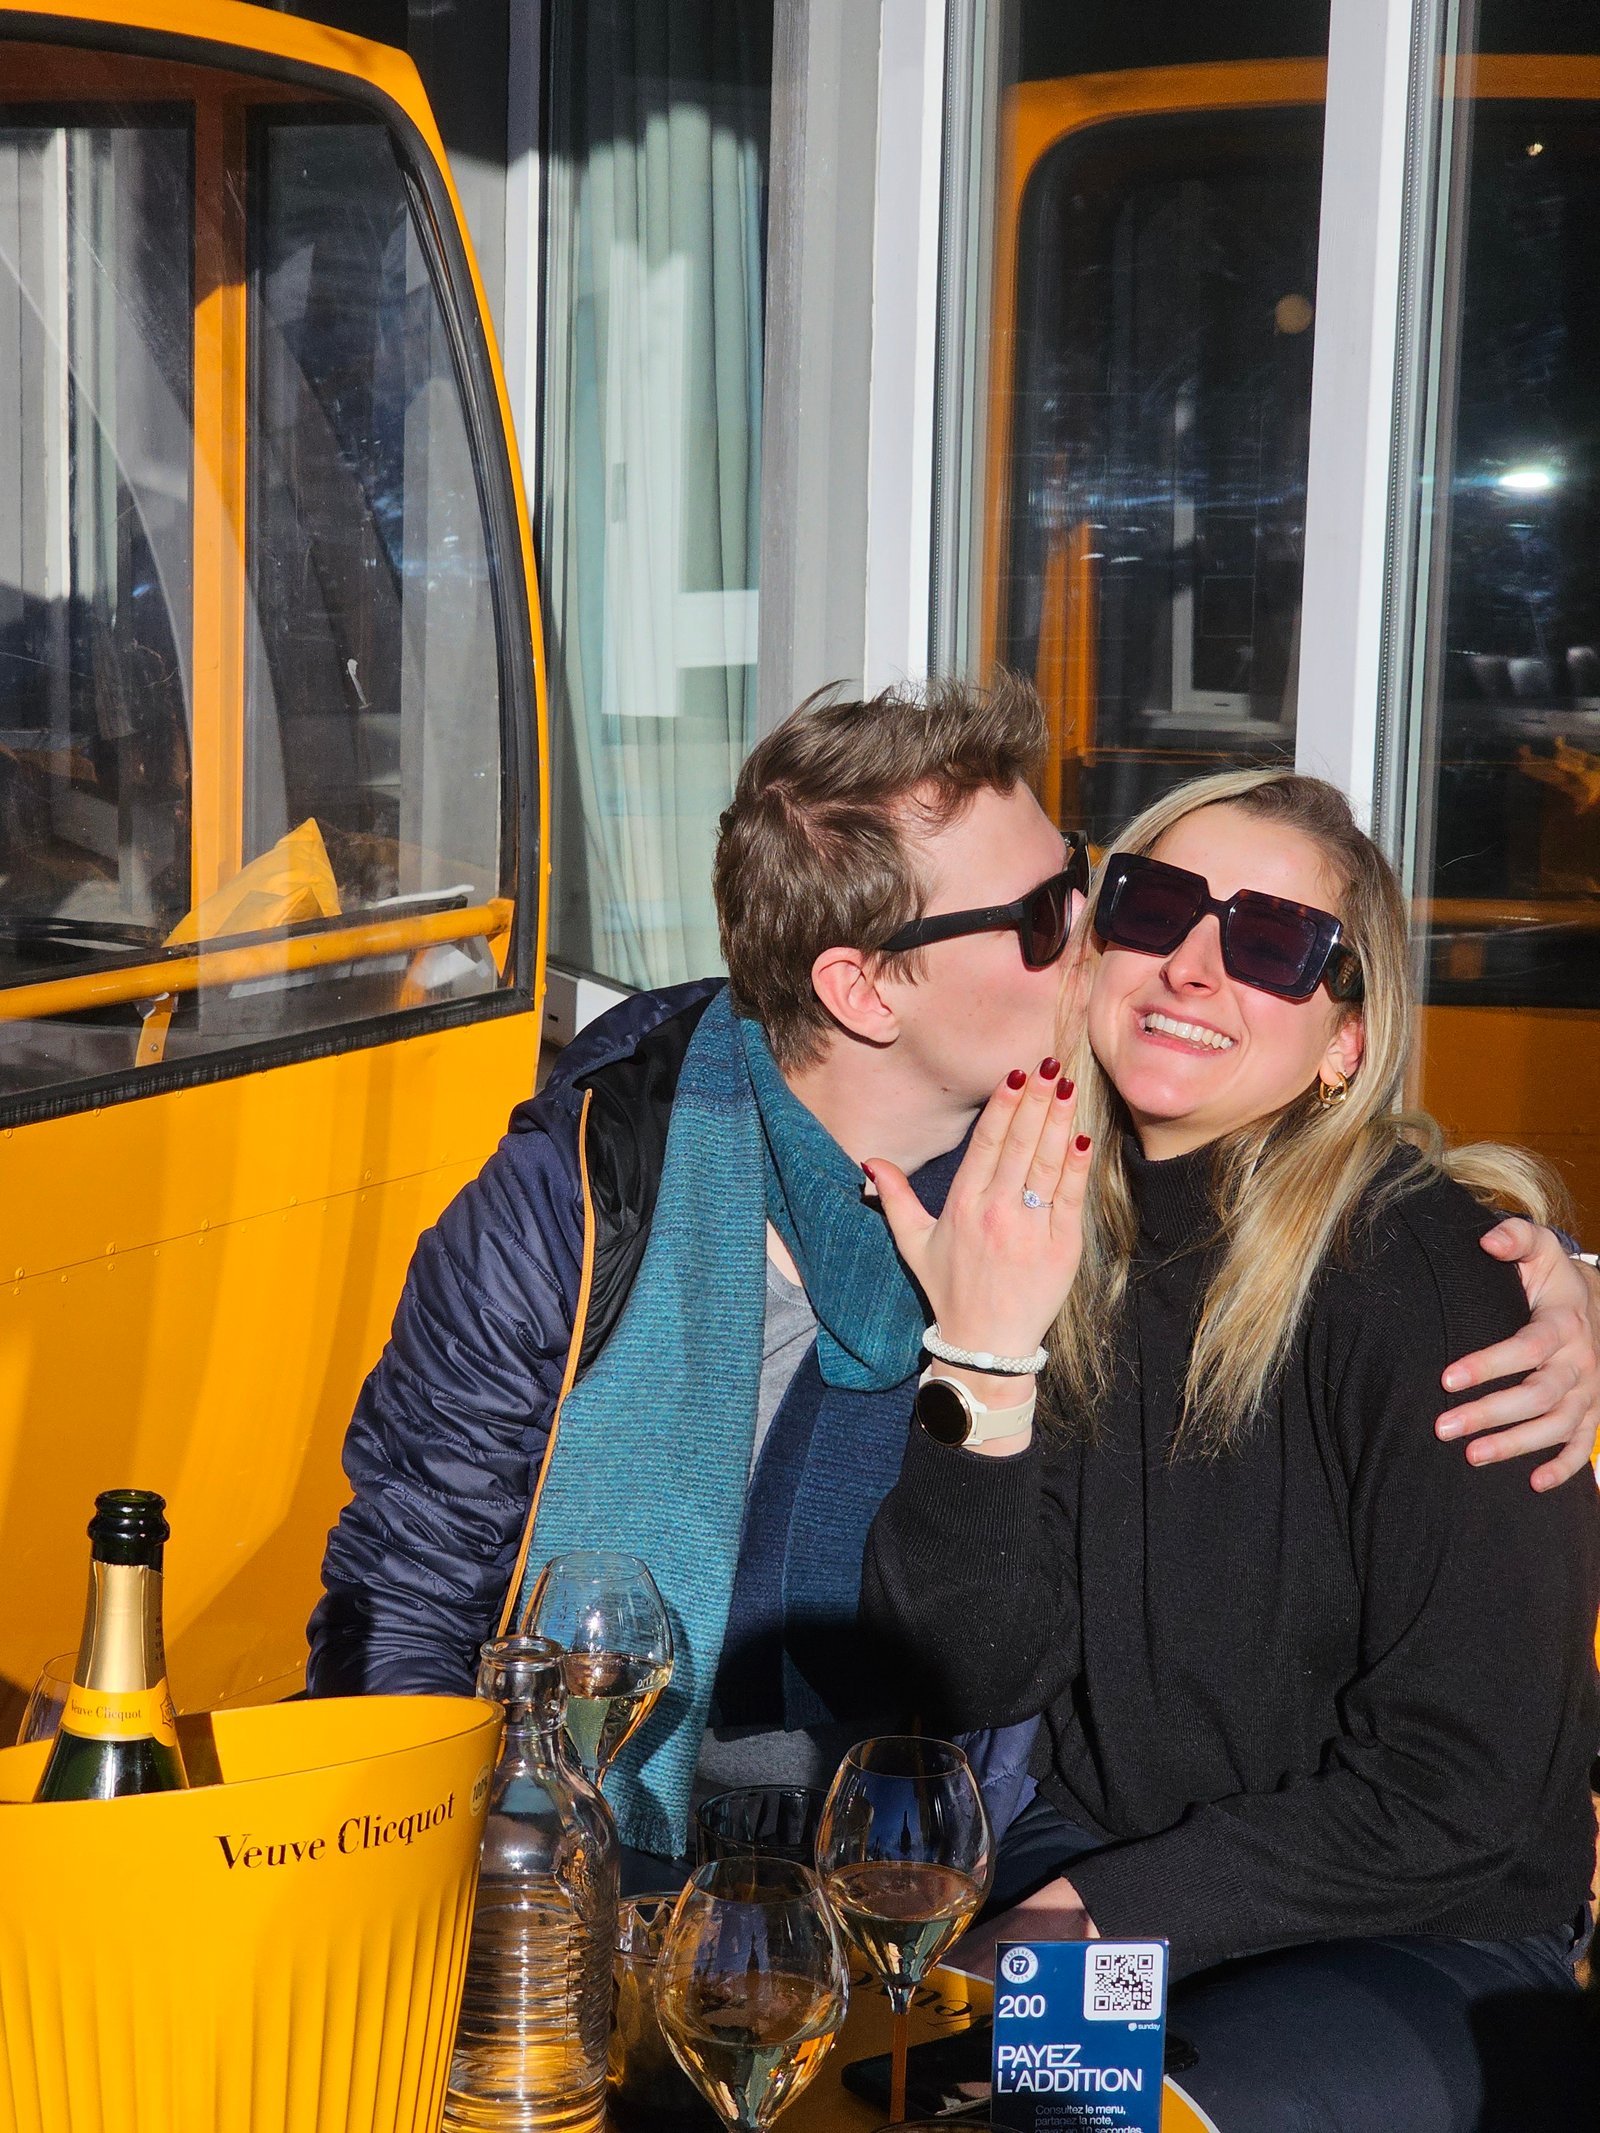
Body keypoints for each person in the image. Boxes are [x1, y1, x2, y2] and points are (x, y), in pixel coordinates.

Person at [307, 682, 1600, 1874]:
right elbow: (406, 1595)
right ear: (864, 989)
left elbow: (1327, 1207)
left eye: (1088, 882)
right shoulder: (585, 1193)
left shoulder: (1085, 1173)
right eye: (1044, 917)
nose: (1101, 938)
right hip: (569, 1857)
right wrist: (430, 1882)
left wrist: (1552, 1292)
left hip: (947, 1862)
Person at [861, 769, 1600, 2132]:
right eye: (1156, 907)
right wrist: (986, 1352)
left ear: (1345, 1041)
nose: (1194, 964)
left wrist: (1086, 1920)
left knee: (1086, 2117)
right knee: (895, 2093)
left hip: (1410, 1931)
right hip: (1107, 1868)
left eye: (1271, 942)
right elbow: (975, 1668)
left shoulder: (1436, 1286)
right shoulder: (1048, 1226)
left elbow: (1466, 1789)